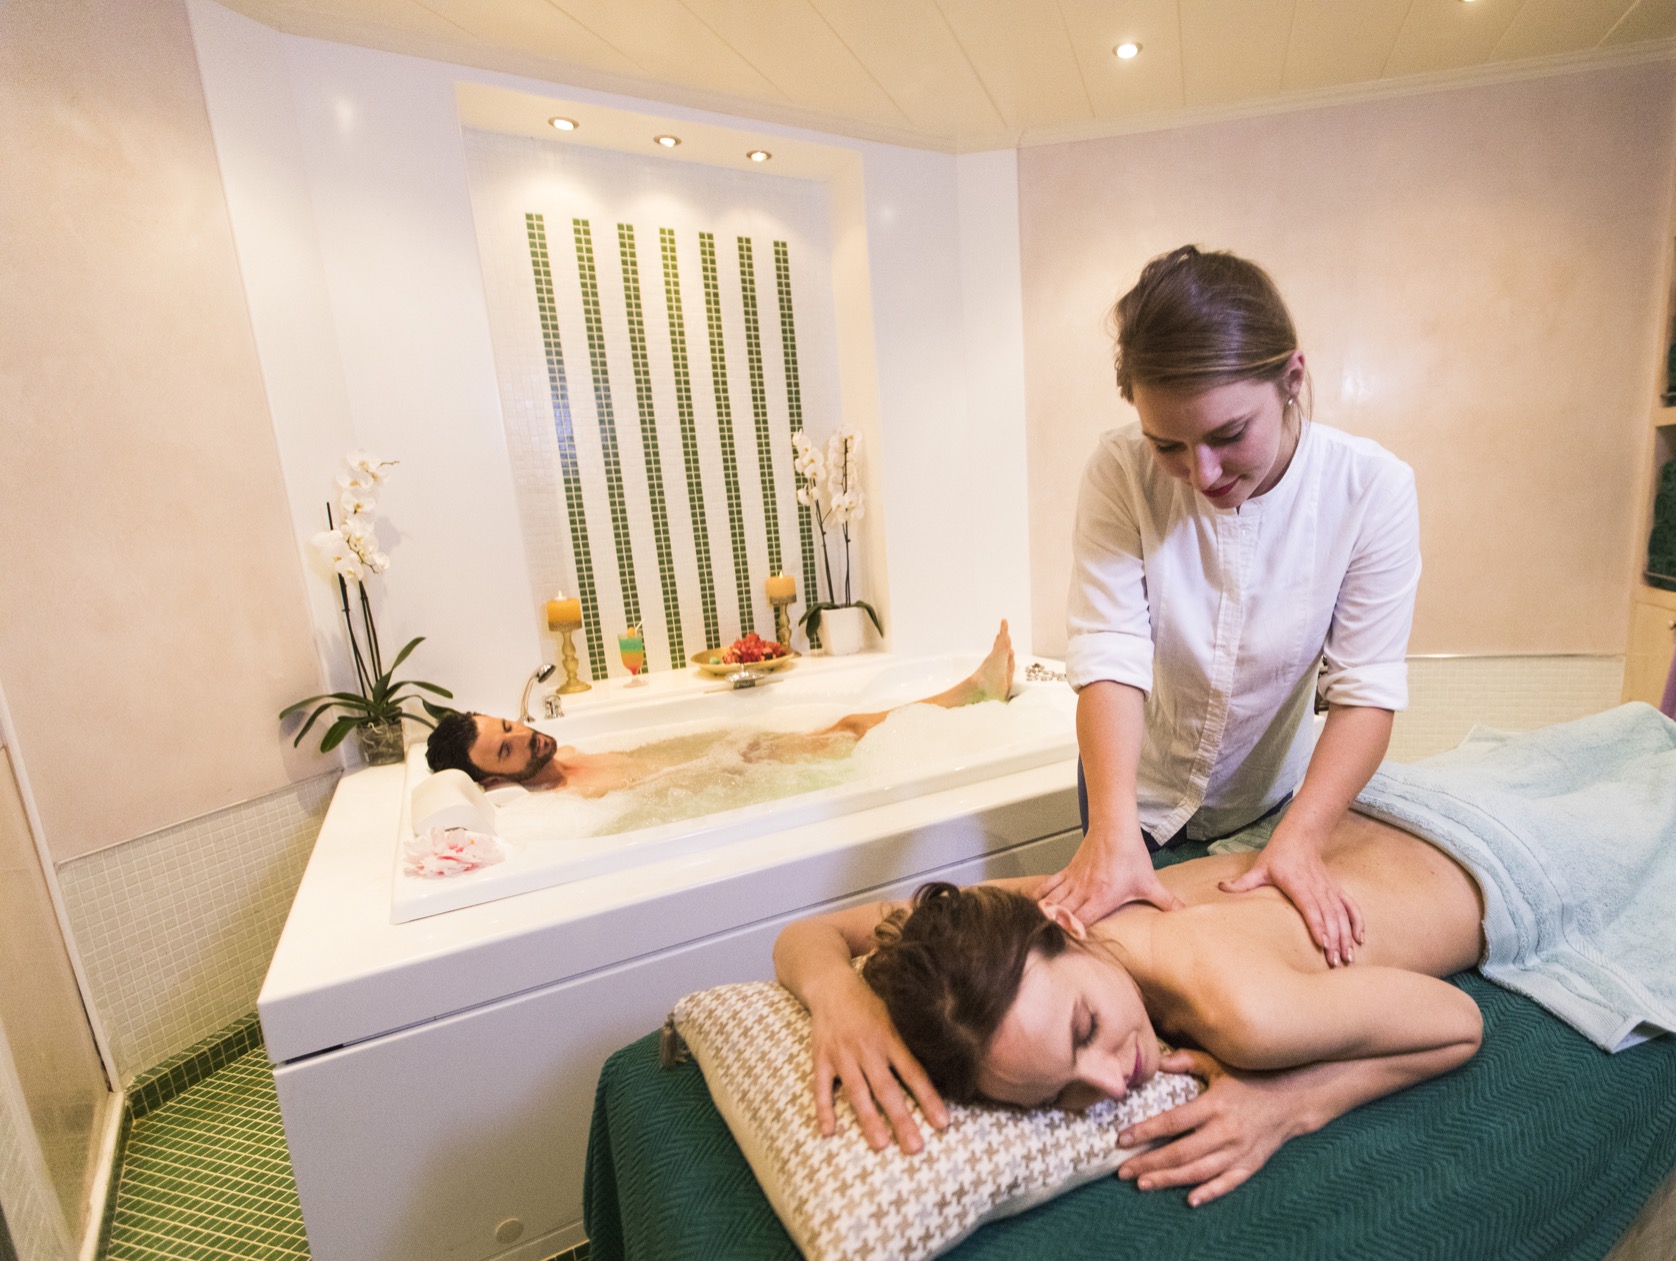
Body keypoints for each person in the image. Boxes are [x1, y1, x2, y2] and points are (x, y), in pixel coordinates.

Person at [773, 803, 1484, 1206]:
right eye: (1062, 1092)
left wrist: (1290, 1102)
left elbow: (1459, 1024)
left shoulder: (1246, 1017)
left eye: (1086, 1028)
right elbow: (811, 933)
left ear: (1065, 930)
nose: (1113, 1083)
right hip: (1370, 816)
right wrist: (840, 997)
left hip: (1482, 847)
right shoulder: (1057, 907)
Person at [1046, 245, 1423, 970]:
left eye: (1228, 435)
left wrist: (1301, 839)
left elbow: (1365, 691)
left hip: (1273, 800)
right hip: (1129, 793)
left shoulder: (1371, 490)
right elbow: (1110, 654)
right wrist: (1112, 831)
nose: (1203, 473)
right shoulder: (1120, 470)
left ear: (1292, 379)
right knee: (1120, 967)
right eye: (1169, 445)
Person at [425, 622, 1017, 797]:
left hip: (734, 759)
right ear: (494, 781)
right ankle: (972, 693)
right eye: (506, 750)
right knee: (851, 729)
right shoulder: (556, 798)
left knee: (848, 726)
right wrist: (735, 766)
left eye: (510, 726)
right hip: (739, 775)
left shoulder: (567, 753)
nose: (525, 736)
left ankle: (971, 692)